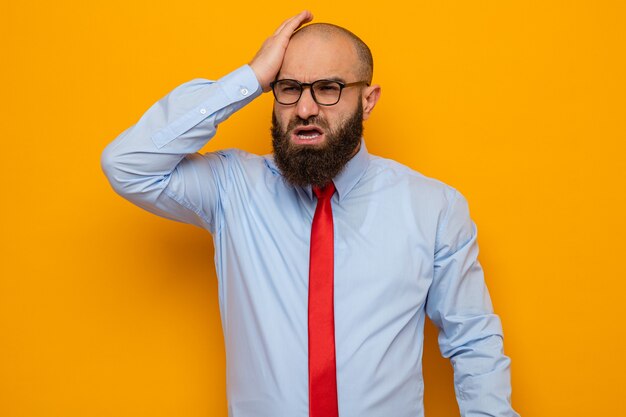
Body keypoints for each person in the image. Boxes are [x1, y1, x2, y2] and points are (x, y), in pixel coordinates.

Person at [101, 10, 519, 417]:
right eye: (288, 88)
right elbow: (126, 164)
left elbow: (474, 341)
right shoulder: (232, 188)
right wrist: (251, 77)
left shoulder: (433, 207)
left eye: (328, 88)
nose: (304, 109)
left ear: (368, 101)